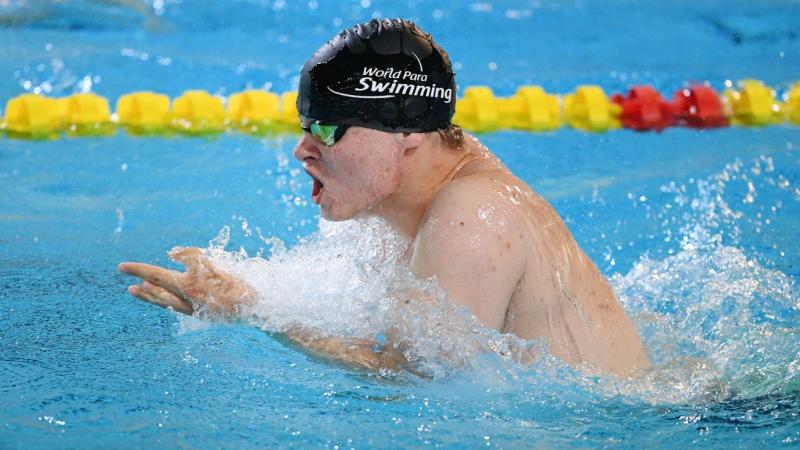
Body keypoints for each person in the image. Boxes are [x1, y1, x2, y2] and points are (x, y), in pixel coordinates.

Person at [119, 18, 650, 376]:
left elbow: (417, 382)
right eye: (306, 126)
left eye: (328, 129)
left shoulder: (471, 216)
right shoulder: (416, 177)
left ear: (406, 133)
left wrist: (251, 310)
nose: (302, 151)